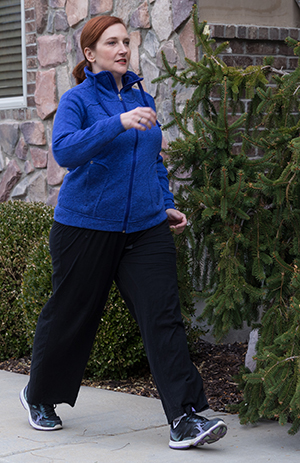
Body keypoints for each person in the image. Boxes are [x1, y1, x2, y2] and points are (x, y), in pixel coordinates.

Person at [19, 15, 227, 449]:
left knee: (163, 315)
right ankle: (40, 395)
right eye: (111, 43)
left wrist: (165, 203)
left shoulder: (140, 95)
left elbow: (152, 158)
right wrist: (117, 123)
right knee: (71, 317)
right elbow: (65, 151)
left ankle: (186, 417)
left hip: (144, 229)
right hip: (85, 226)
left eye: (126, 42)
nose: (123, 49)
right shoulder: (79, 100)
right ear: (90, 54)